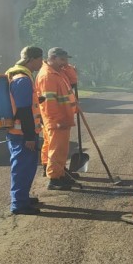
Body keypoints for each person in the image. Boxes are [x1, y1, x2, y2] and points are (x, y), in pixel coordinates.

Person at [5, 46, 44, 215]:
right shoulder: (22, 79)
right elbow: (23, 110)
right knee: (22, 168)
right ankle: (19, 204)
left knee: (27, 167)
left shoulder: (21, 77)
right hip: (22, 135)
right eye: (40, 59)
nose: (42, 62)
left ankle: (23, 198)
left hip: (22, 133)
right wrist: (29, 136)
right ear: (31, 59)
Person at [36, 47, 79, 190]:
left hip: (61, 116)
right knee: (58, 148)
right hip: (57, 119)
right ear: (52, 58)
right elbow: (49, 102)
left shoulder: (59, 72)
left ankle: (55, 170)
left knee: (51, 145)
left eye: (66, 60)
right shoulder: (48, 76)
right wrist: (57, 120)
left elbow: (73, 81)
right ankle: (55, 179)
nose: (65, 63)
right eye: (62, 59)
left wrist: (68, 67)